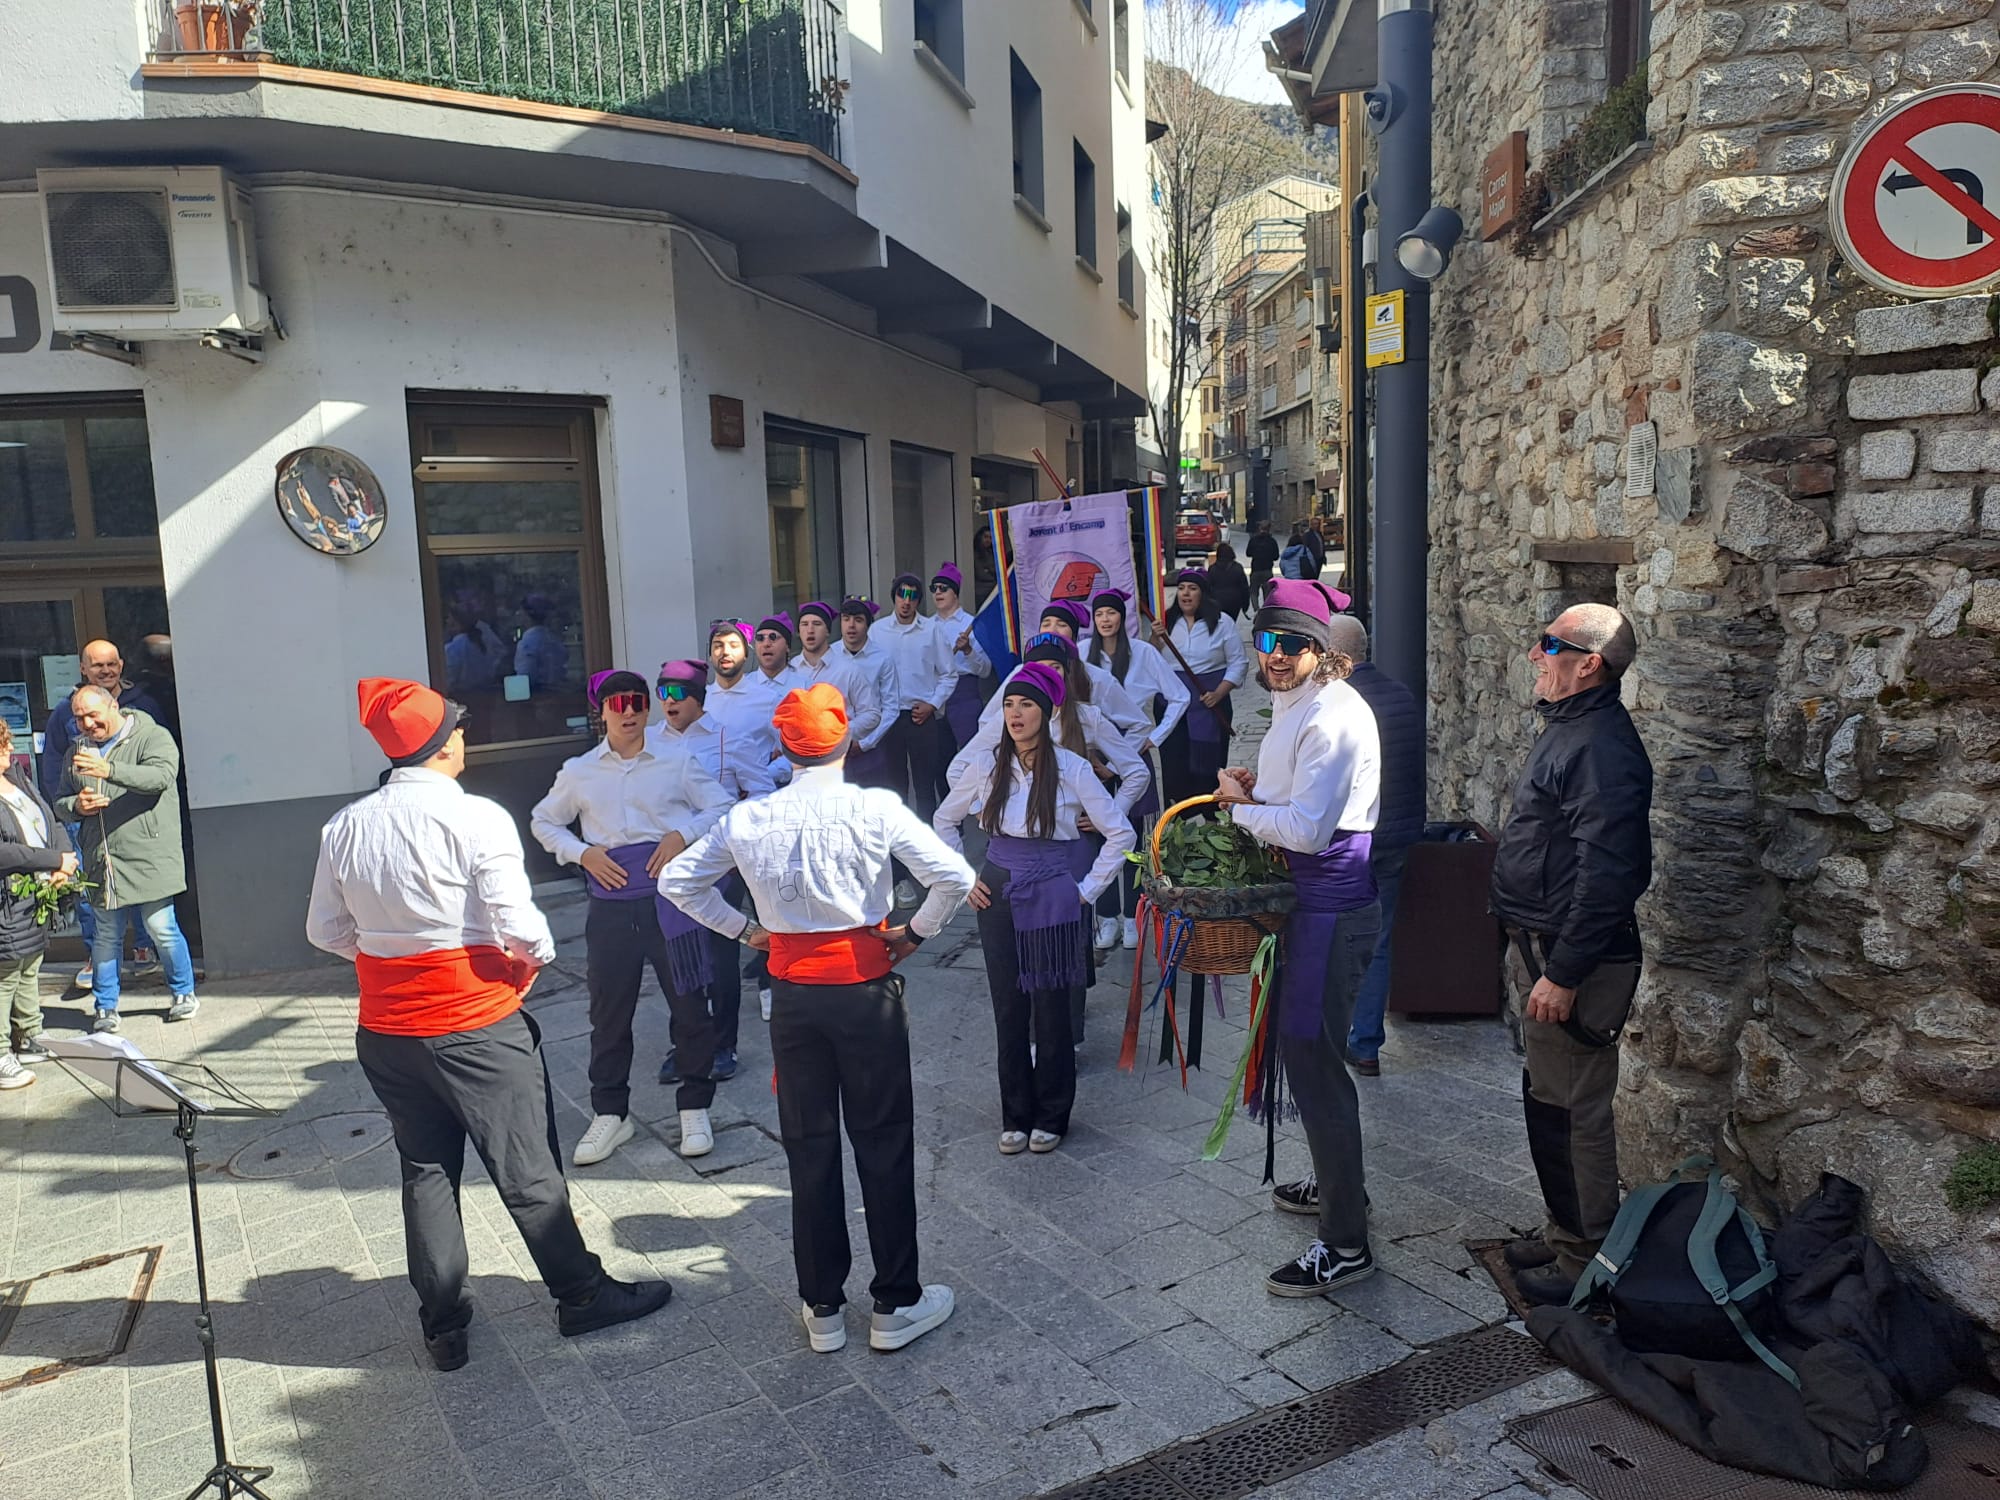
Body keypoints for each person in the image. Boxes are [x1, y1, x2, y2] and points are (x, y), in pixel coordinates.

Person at [307, 678, 671, 1370]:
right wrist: (524, 964)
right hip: (473, 1021)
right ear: (442, 747)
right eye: (458, 730)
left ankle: (443, 1323)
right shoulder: (476, 817)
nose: (465, 738)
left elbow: (324, 930)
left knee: (426, 1168)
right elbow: (525, 930)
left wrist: (393, 958)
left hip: (386, 1028)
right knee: (526, 1166)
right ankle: (580, 1293)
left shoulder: (345, 824)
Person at [661, 684, 975, 1356]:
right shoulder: (875, 806)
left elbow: (677, 881)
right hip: (864, 985)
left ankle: (823, 1306)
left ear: (783, 748)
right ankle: (896, 1302)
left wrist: (745, 930)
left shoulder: (748, 818)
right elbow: (952, 873)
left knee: (809, 1145)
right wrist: (915, 933)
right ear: (843, 743)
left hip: (793, 995)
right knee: (883, 1139)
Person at [1212, 580, 1382, 1297]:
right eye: (1267, 642)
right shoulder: (1299, 704)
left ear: (1321, 652)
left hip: (1329, 908)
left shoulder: (1334, 715)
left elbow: (1311, 829)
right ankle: (1342, 1192)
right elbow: (1297, 802)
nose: (1275, 657)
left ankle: (1345, 1244)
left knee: (1314, 1066)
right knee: (1307, 1059)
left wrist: (1242, 809)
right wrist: (1255, 791)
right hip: (1309, 904)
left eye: (1292, 646)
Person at [1489, 604, 1653, 1308]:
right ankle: (1566, 1229)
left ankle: (1586, 1252)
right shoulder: (1571, 728)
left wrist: (1564, 972)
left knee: (1575, 1107)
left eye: (1549, 644)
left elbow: (1612, 872)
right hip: (1543, 945)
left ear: (1589, 663)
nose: (1535, 654)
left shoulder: (1601, 747)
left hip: (1572, 956)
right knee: (1548, 1101)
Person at [530, 669, 732, 1166]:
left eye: (637, 702)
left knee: (688, 1003)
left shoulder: (676, 759)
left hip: (670, 903)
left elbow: (723, 805)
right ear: (600, 712)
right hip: (611, 904)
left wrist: (680, 835)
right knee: (608, 1011)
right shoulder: (579, 770)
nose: (628, 711)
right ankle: (610, 1113)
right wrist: (582, 854)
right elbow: (542, 820)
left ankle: (695, 1105)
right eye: (617, 703)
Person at [936, 662, 1131, 1155]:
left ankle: (1052, 1114)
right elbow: (943, 820)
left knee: (1050, 1007)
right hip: (998, 886)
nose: (1016, 714)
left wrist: (1085, 892)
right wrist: (962, 878)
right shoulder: (985, 765)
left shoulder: (1072, 768)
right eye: (1008, 704)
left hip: (1053, 889)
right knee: (1008, 1005)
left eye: (1026, 705)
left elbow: (1120, 834)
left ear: (1046, 713)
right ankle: (1015, 1115)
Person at [650, 656, 772, 1068]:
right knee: (676, 957)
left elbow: (761, 791)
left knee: (720, 954)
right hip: (663, 863)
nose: (668, 702)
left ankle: (723, 1044)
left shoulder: (729, 740)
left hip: (719, 861)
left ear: (698, 698)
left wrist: (734, 824)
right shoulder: (648, 742)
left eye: (677, 693)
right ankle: (685, 1043)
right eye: (662, 692)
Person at [56, 686, 198, 1029]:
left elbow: (162, 776)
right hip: (102, 859)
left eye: (93, 715)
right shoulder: (77, 750)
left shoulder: (152, 736)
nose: (87, 724)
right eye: (79, 718)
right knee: (106, 935)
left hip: (147, 854)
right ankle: (106, 1007)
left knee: (160, 927)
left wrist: (109, 770)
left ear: (114, 706)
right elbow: (61, 799)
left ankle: (183, 993)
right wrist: (76, 806)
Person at [1328, 616, 1423, 1078]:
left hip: (1352, 838)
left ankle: (1335, 1030)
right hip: (1397, 835)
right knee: (1380, 940)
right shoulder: (1402, 696)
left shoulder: (1335, 705)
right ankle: (1366, 1044)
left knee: (1336, 935)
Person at [38, 640, 162, 989]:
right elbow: (52, 765)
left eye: (111, 664)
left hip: (134, 817)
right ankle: (96, 957)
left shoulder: (145, 707)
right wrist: (70, 806)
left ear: (121, 666)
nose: (105, 670)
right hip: (86, 818)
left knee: (139, 882)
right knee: (92, 891)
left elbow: (163, 761)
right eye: (97, 666)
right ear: (83, 669)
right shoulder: (66, 712)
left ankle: (143, 950)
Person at [1084, 588, 1189, 949]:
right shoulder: (1084, 654)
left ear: (1123, 617)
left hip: (1132, 752)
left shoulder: (1144, 653)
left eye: (1112, 613)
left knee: (1130, 839)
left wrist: (1155, 737)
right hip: (1093, 757)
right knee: (1097, 836)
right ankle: (1106, 916)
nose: (1106, 620)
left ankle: (1133, 916)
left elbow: (1180, 696)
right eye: (1100, 615)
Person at [0, 719, 75, 1085]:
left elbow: (50, 818)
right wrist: (52, 861)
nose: (5, 753)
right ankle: (0, 1055)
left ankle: (29, 1034)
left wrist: (64, 858)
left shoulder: (18, 779)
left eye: (4, 745)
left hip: (30, 897)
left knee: (30, 963)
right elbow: (4, 852)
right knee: (5, 975)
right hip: (5, 899)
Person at [872, 573, 957, 897]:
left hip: (922, 717)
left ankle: (927, 863)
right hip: (890, 720)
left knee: (924, 791)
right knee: (894, 793)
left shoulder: (932, 629)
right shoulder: (878, 631)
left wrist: (932, 704)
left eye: (912, 596)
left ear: (918, 601)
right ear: (894, 597)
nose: (906, 601)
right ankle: (899, 872)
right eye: (901, 595)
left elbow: (948, 674)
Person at [1157, 568, 1247, 805]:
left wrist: (1219, 692)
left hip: (1209, 702)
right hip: (1172, 705)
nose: (1185, 593)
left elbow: (1238, 661)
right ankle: (1177, 816)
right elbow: (1149, 660)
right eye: (1181, 588)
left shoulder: (1222, 622)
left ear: (1203, 594)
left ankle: (1211, 816)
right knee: (1173, 762)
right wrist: (1155, 638)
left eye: (1193, 588)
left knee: (1209, 765)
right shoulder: (1165, 623)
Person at [790, 603, 883, 771]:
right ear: (798, 632)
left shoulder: (848, 669)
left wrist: (842, 733)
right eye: (804, 624)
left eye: (817, 624)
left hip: (840, 760)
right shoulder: (791, 669)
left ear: (827, 631)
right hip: (799, 761)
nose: (810, 630)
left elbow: (872, 713)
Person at [702, 619, 787, 796]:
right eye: (718, 646)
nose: (725, 652)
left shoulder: (769, 700)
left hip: (753, 802)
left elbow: (793, 753)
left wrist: (757, 777)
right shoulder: (701, 700)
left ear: (746, 654)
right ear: (710, 655)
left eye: (734, 645)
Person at [836, 598, 901, 793]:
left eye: (858, 620)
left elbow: (890, 707)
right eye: (846, 619)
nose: (851, 625)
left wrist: (865, 743)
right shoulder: (829, 655)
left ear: (867, 624)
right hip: (834, 749)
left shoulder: (883, 659)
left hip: (869, 747)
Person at [929, 563, 990, 759]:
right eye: (934, 588)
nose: (938, 592)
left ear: (955, 593)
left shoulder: (972, 625)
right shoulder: (925, 627)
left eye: (943, 588)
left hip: (964, 695)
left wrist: (968, 650)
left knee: (971, 758)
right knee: (938, 760)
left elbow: (985, 670)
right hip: (933, 695)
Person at [1208, 541, 1251, 621]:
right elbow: (1244, 588)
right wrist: (1245, 605)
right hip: (1234, 602)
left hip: (1217, 601)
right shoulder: (1237, 568)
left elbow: (1208, 588)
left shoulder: (1212, 569)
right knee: (1231, 623)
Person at [1246, 521, 1280, 597]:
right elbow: (1276, 557)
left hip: (1255, 569)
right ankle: (1265, 608)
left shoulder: (1253, 540)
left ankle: (1256, 608)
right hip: (1267, 570)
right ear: (1269, 529)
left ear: (1259, 528)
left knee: (1253, 591)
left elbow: (1248, 553)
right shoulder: (1272, 541)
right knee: (1267, 593)